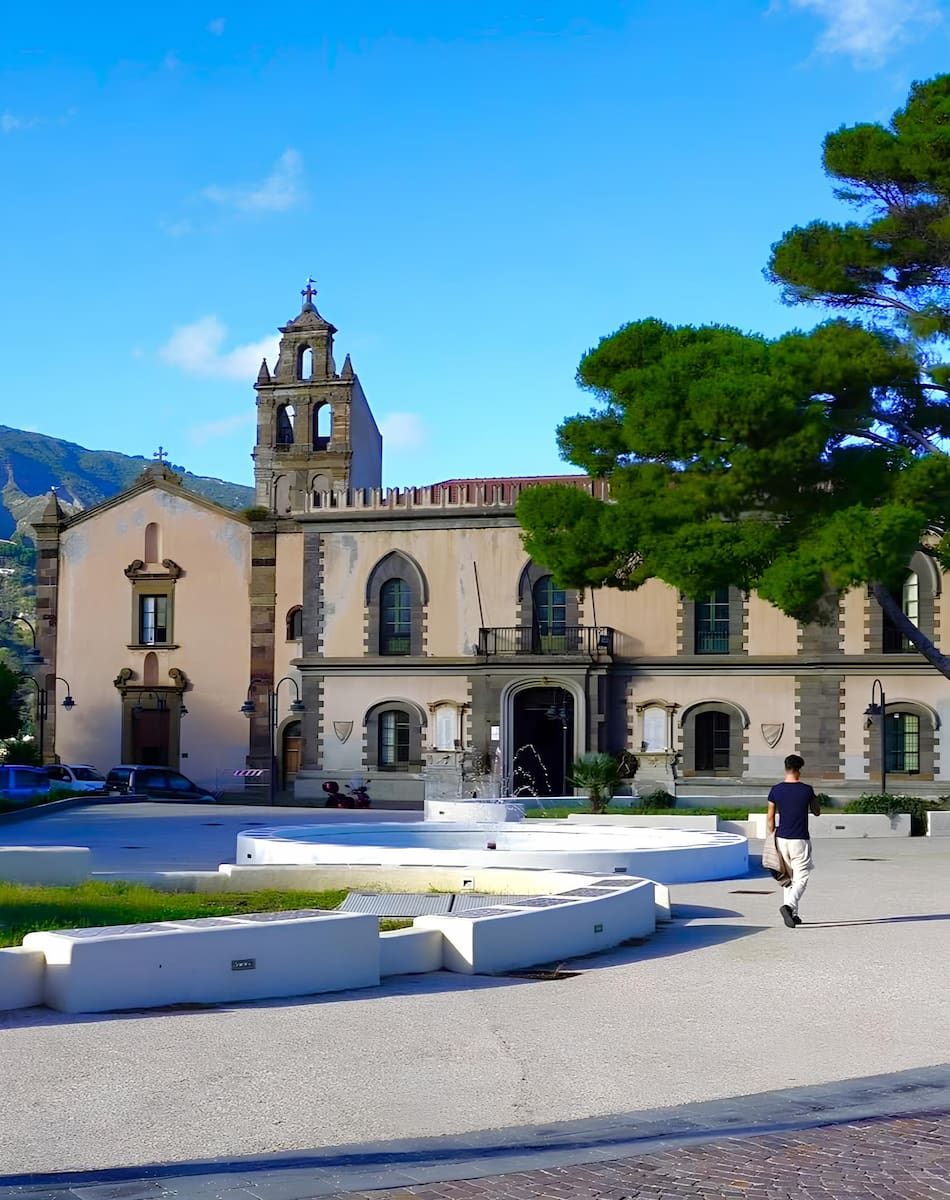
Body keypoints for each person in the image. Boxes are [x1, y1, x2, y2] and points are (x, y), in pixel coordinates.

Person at [767, 753, 821, 929]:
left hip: (781, 838)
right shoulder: (806, 790)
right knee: (802, 877)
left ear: (786, 768)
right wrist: (813, 799)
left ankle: (793, 915)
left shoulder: (775, 790)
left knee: (788, 878)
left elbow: (770, 819)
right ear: (799, 770)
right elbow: (817, 811)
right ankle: (788, 907)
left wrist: (771, 838)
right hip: (800, 839)